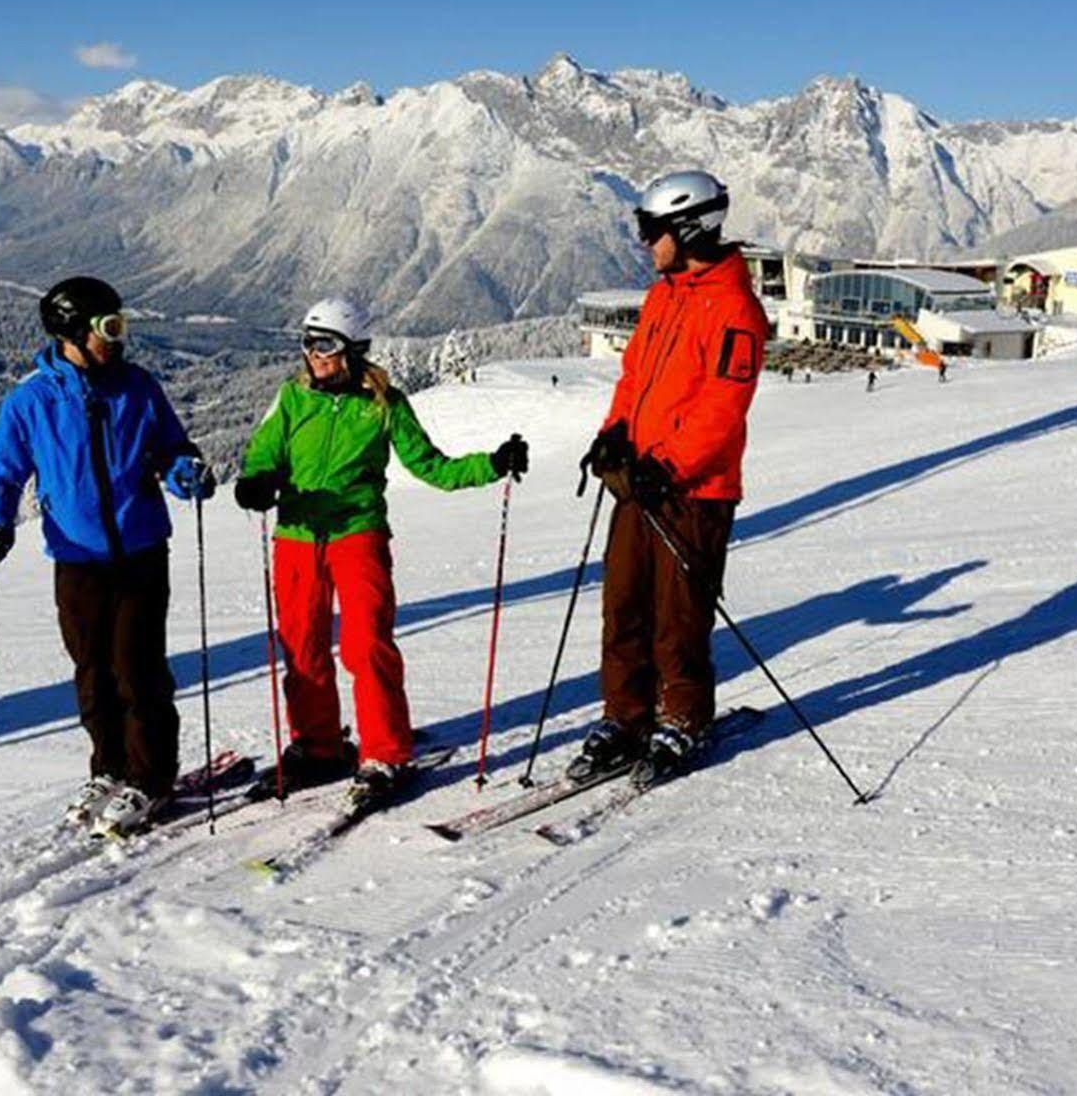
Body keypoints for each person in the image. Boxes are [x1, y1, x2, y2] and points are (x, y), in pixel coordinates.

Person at [234, 298, 527, 809]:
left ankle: (387, 753)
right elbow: (266, 454)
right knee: (302, 647)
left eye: (324, 344)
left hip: (357, 533)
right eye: (307, 342)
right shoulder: (293, 399)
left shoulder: (384, 403)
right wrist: (257, 482)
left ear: (351, 350)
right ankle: (319, 745)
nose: (313, 355)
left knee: (366, 643)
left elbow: (432, 467)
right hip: (298, 537)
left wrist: (492, 464)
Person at [0, 275, 215, 836]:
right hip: (76, 559)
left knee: (137, 669)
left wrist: (186, 471)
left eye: (120, 323)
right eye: (109, 326)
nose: (119, 336)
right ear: (73, 332)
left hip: (140, 551)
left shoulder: (137, 388)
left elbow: (172, 448)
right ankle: (108, 766)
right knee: (92, 672)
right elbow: (3, 473)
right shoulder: (31, 401)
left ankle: (150, 778)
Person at [573, 170, 769, 787]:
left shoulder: (736, 309)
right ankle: (625, 716)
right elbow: (634, 379)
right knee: (622, 604)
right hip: (640, 482)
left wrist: (670, 466)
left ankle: (682, 717)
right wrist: (614, 435)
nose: (643, 243)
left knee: (678, 616)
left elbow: (723, 407)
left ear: (688, 230)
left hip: (693, 492)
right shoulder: (664, 296)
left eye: (650, 231)